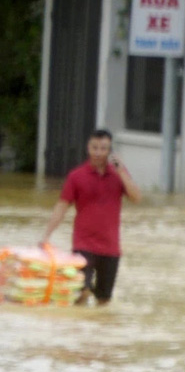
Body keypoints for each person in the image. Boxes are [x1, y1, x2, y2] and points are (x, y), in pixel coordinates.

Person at [42, 129, 142, 305]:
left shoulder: (119, 175)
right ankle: (79, 330)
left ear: (110, 150)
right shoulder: (76, 176)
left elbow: (137, 198)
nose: (98, 153)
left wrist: (122, 172)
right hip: (83, 245)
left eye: (103, 148)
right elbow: (61, 207)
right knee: (81, 292)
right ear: (88, 148)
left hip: (111, 248)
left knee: (103, 301)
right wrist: (46, 236)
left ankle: (98, 331)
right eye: (94, 148)